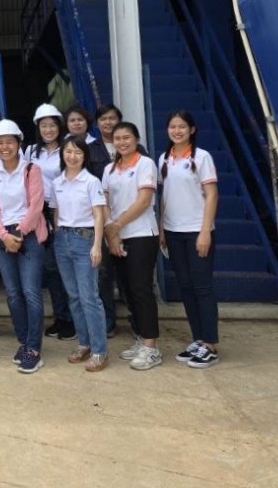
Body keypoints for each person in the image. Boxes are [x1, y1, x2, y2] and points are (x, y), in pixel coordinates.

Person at [0, 119, 49, 374]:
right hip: (2, 236)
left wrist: (18, 234)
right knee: (12, 293)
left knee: (31, 292)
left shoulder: (31, 170)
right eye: (0, 143)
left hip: (28, 235)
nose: (5, 147)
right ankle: (24, 341)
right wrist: (3, 235)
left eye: (9, 142)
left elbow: (36, 205)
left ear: (19, 143)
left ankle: (34, 349)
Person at [158, 110, 220, 368]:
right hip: (173, 231)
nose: (177, 131)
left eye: (182, 126)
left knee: (202, 287)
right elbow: (165, 195)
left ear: (192, 130)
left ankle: (211, 345)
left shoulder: (202, 157)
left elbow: (212, 194)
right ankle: (198, 339)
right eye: (172, 126)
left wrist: (205, 231)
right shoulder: (164, 158)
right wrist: (162, 228)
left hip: (197, 231)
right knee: (185, 286)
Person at [103, 121, 162, 370]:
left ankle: (151, 346)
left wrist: (117, 225)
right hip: (118, 236)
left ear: (136, 139)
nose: (122, 142)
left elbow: (144, 201)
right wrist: (113, 235)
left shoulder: (145, 164)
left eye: (126, 137)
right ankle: (140, 338)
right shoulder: (109, 169)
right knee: (128, 290)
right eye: (117, 138)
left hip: (141, 234)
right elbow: (105, 202)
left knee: (141, 289)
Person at [50, 137, 109, 372]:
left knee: (89, 297)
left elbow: (99, 215)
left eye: (78, 152)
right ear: (62, 154)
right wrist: (57, 233)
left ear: (84, 156)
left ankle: (99, 351)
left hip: (85, 240)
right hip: (62, 240)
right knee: (73, 296)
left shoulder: (91, 182)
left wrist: (97, 245)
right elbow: (56, 212)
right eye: (68, 151)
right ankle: (84, 343)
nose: (72, 156)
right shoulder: (57, 182)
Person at [68, 103, 121, 336]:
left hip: (130, 216)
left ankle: (139, 324)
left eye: (112, 118)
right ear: (97, 123)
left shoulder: (132, 146)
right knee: (103, 274)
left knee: (132, 275)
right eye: (103, 119)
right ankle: (107, 322)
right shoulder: (91, 150)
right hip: (101, 217)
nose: (108, 123)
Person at [27, 103, 74, 341]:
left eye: (52, 125)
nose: (48, 130)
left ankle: (73, 319)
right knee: (50, 267)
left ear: (59, 127)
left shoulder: (68, 148)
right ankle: (61, 316)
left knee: (64, 264)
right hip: (39, 211)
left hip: (63, 210)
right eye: (43, 126)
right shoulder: (30, 152)